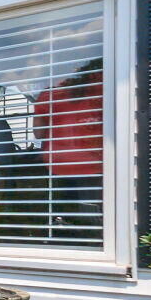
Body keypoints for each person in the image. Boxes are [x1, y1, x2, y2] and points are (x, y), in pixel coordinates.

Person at [33, 60, 102, 234]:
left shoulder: (49, 94)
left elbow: (39, 133)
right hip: (91, 162)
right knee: (91, 212)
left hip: (58, 164)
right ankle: (95, 241)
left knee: (64, 209)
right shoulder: (97, 86)